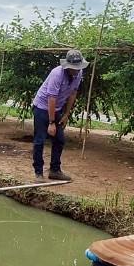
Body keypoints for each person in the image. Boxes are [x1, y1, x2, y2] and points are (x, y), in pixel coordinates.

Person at [30, 48, 87, 181]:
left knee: (60, 140)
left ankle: (55, 170)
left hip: (57, 109)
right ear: (67, 66)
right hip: (42, 107)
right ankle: (38, 172)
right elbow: (51, 98)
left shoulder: (79, 73)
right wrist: (51, 123)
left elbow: (73, 93)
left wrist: (66, 114)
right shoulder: (57, 74)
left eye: (78, 67)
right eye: (74, 67)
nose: (77, 70)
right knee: (40, 140)